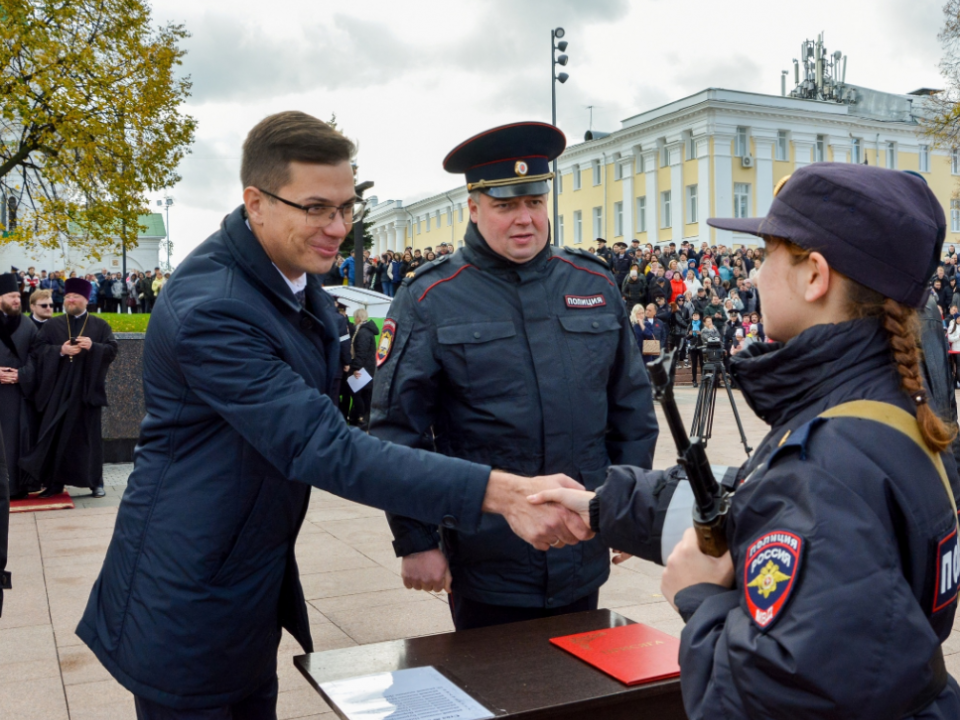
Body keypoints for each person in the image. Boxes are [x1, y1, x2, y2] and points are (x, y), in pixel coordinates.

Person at [76, 111, 592, 719]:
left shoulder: (288, 280)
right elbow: (326, 446)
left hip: (242, 573)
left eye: (346, 208)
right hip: (188, 594)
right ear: (256, 202)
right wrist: (501, 493)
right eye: (316, 208)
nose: (337, 228)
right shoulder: (212, 308)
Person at [531, 163, 960, 719]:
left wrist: (699, 599)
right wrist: (603, 505)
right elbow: (752, 501)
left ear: (814, 277)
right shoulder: (892, 410)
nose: (754, 277)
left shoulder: (831, 463)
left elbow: (769, 696)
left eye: (766, 256)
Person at [371, 122, 658, 632]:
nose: (525, 219)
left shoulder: (592, 282)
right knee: (496, 702)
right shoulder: (430, 297)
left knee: (580, 699)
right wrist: (416, 542)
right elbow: (398, 432)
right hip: (486, 559)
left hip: (580, 548)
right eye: (506, 205)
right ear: (474, 208)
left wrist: (626, 510)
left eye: (534, 201)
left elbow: (631, 410)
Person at [21, 278, 117, 499]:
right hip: (58, 391)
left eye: (75, 297)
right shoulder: (53, 325)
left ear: (85, 300)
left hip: (86, 392)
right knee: (56, 437)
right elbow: (38, 350)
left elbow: (112, 350)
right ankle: (55, 483)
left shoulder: (99, 325)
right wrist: (61, 351)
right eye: (67, 298)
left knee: (89, 439)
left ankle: (96, 483)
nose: (71, 300)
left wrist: (94, 347)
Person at [0, 273, 39, 501]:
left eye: (18, 296)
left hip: (17, 395)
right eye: (11, 296)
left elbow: (37, 356)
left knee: (15, 441)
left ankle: (15, 488)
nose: (17, 300)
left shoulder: (28, 325)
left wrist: (22, 375)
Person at [347, 307, 377, 428]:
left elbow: (361, 353)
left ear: (359, 318)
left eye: (355, 317)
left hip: (363, 369)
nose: (354, 320)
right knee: (365, 395)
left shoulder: (363, 332)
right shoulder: (367, 331)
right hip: (368, 368)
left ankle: (361, 418)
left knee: (356, 393)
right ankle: (361, 418)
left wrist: (355, 368)